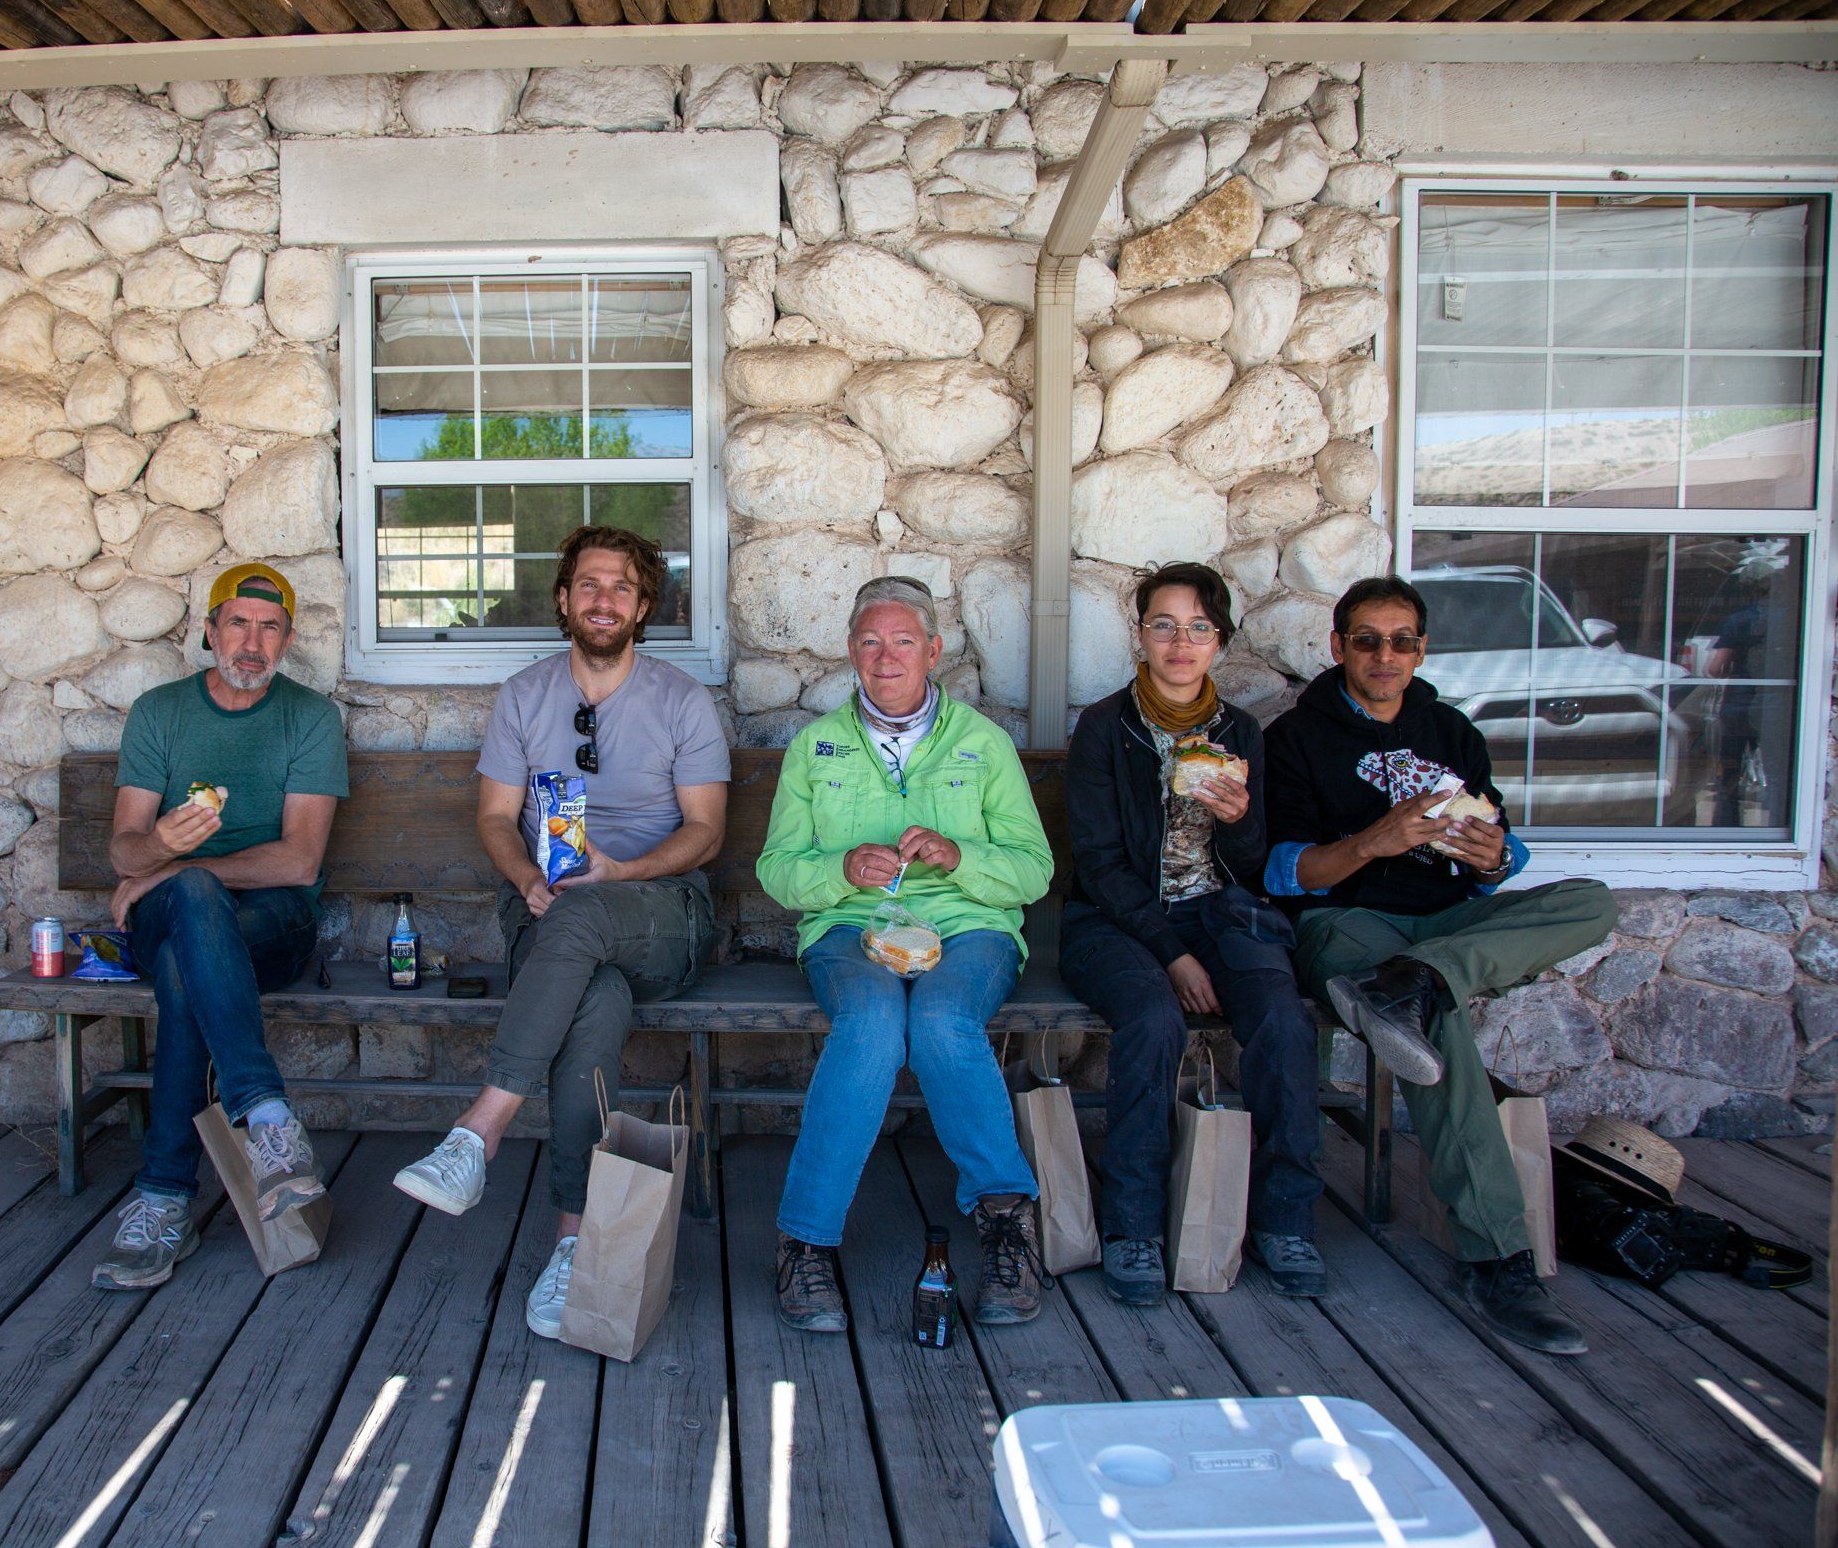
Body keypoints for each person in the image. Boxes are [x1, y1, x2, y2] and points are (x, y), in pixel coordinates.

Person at [391, 526, 727, 1342]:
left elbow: (707, 832)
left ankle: (479, 1132)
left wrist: (618, 872)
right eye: (587, 584)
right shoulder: (525, 695)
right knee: (593, 1005)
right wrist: (527, 879)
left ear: (644, 606)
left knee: (582, 926)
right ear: (564, 599)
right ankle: (574, 1245)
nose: (601, 599)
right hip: (547, 910)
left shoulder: (681, 699)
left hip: (661, 911)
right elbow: (497, 817)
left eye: (619, 586)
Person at [1266, 575, 1615, 1355]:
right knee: (1435, 1022)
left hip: (1450, 916)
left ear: (1422, 649)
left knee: (1593, 901)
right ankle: (1496, 1255)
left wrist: (1496, 860)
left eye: (1402, 641)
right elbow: (1283, 872)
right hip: (1347, 924)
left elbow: (1494, 839)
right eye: (1367, 639)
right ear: (1338, 646)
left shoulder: (1451, 730)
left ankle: (1424, 977)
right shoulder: (1296, 738)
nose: (1385, 656)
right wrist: (1372, 844)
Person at [756, 577, 1054, 1333]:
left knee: (946, 1022)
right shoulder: (815, 745)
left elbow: (1034, 870)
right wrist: (835, 872)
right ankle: (806, 1241)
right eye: (869, 641)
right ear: (851, 651)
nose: (885, 657)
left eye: (902, 641)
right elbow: (778, 869)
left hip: (967, 930)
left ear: (934, 650)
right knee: (872, 1026)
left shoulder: (981, 744)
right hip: (851, 931)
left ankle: (1006, 1226)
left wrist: (960, 857)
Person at [1058, 564, 1327, 1308]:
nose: (1182, 643)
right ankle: (1134, 1226)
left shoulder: (1239, 732)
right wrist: (1170, 953)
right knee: (1150, 1018)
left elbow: (1249, 867)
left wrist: (1240, 826)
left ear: (1220, 640)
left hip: (1221, 913)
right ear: (1140, 635)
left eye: (1199, 627)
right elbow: (1103, 864)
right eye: (1165, 626)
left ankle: (1285, 1220)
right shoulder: (1107, 730)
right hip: (1114, 921)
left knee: (1279, 1016)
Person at [93, 562, 348, 1291]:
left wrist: (174, 870)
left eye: (269, 628)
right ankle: (267, 1117)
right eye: (237, 623)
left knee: (184, 966)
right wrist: (161, 851)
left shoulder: (310, 718)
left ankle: (163, 1199)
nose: (251, 642)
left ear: (288, 640)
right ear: (209, 630)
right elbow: (123, 849)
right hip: (171, 919)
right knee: (189, 923)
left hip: (273, 929)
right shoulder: (160, 713)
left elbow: (300, 863)